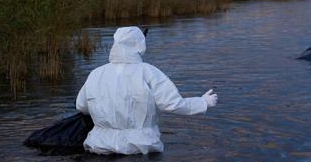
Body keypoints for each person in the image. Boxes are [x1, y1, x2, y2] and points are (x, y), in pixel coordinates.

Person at [76, 26, 218, 154]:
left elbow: (81, 106)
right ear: (140, 45)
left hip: (99, 147)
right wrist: (202, 102)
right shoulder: (149, 72)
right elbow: (171, 104)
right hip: (140, 148)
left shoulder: (96, 74)